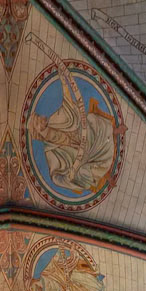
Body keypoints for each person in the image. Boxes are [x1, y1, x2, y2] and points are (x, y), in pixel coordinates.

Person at [27, 64, 116, 200]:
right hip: (81, 159)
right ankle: (107, 176)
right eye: (38, 123)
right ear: (38, 132)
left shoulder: (54, 120)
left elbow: (67, 103)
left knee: (93, 121)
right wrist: (71, 172)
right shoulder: (49, 151)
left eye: (39, 118)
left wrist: (64, 80)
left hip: (86, 137)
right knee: (83, 173)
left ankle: (114, 131)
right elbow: (55, 178)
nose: (42, 120)